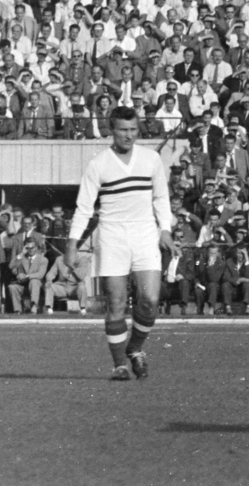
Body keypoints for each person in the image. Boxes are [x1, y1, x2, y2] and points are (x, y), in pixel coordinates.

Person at [65, 105, 173, 380]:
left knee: (149, 299)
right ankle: (119, 366)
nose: (129, 135)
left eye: (133, 129)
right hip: (112, 235)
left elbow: (161, 197)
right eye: (123, 130)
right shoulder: (98, 164)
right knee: (116, 302)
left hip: (145, 233)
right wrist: (72, 243)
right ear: (111, 130)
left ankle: (135, 349)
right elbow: (84, 207)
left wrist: (165, 229)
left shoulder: (150, 159)